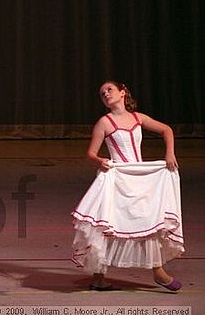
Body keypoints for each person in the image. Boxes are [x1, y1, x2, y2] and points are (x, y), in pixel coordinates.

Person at [71, 81, 184, 292]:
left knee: (146, 221)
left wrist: (170, 153)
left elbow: (166, 130)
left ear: (123, 93)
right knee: (111, 224)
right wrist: (100, 161)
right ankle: (98, 276)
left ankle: (158, 271)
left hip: (139, 178)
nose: (105, 94)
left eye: (109, 90)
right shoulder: (104, 123)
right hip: (117, 178)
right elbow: (91, 153)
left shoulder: (137, 118)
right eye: (102, 93)